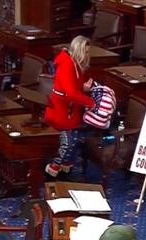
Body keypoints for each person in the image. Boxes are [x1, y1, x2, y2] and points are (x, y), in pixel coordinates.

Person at [44, 35, 96, 177]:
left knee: (73, 139)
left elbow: (72, 86)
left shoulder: (73, 62)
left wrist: (83, 88)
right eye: (85, 52)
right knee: (68, 142)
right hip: (62, 111)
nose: (87, 55)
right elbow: (71, 92)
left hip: (69, 110)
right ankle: (53, 168)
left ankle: (64, 166)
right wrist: (91, 102)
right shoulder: (67, 64)